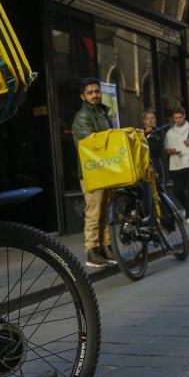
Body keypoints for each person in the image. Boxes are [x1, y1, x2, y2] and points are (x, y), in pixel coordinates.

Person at [71, 78, 117, 268]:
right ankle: (91, 251)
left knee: (105, 210)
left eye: (97, 91)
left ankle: (105, 247)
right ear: (83, 96)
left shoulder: (102, 112)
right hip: (92, 172)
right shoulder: (83, 117)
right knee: (94, 212)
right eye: (90, 92)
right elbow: (92, 143)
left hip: (104, 169)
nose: (95, 95)